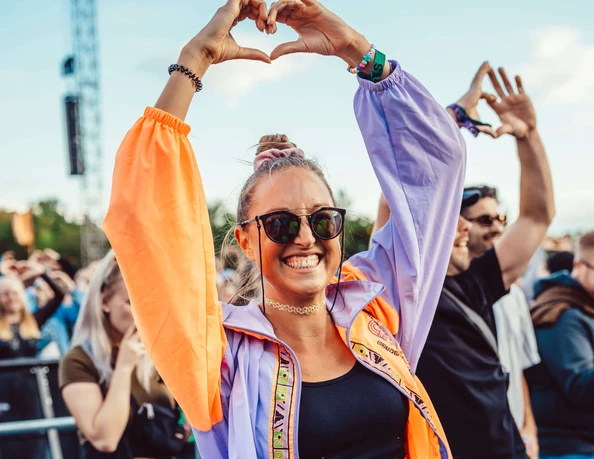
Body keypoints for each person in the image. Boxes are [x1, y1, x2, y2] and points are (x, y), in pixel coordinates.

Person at [102, 0, 467, 457]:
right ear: (245, 240)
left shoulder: (376, 310)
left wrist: (358, 51)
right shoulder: (219, 356)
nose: (305, 237)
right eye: (279, 223)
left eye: (322, 219)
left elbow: (436, 169)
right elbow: (144, 217)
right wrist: (195, 58)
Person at [371, 61, 554, 458]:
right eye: (450, 221)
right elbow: (396, 189)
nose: (467, 229)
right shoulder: (403, 286)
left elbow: (538, 217)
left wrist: (529, 138)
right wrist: (456, 118)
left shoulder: (478, 280)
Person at [60, 250, 182, 458]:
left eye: (147, 302)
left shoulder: (156, 352)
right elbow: (105, 439)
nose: (142, 312)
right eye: (131, 302)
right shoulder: (78, 360)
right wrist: (124, 366)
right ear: (104, 302)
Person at [461, 185, 541, 459]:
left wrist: (529, 427)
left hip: (516, 441)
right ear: (459, 227)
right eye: (485, 220)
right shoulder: (439, 297)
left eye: (500, 219)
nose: (496, 227)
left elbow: (517, 369)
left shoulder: (515, 295)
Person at [527, 229, 594, 459]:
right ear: (580, 265)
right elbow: (579, 386)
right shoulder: (561, 316)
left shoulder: (593, 309)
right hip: (572, 450)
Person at [0, 261, 66, 359]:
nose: (11, 298)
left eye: (15, 293)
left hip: (30, 372)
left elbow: (59, 295)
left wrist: (41, 273)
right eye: (6, 294)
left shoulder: (33, 320)